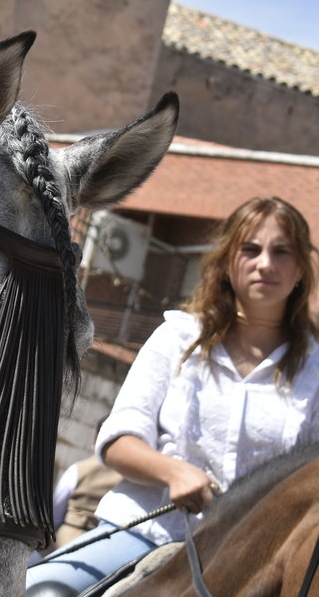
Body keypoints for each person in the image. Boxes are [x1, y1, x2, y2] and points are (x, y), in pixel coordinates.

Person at [27, 196, 319, 595]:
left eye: (281, 252)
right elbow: (117, 442)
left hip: (258, 559)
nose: (265, 264)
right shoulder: (177, 337)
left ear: (301, 267)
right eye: (250, 250)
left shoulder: (316, 368)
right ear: (227, 261)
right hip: (144, 532)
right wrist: (173, 472)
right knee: (45, 591)